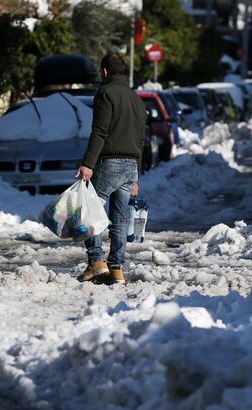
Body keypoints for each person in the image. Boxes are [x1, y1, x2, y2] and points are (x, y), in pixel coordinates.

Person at [75, 54, 146, 285]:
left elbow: (100, 131)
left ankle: (96, 261)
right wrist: (137, 174)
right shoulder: (137, 99)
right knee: (120, 219)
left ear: (105, 71)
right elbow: (141, 139)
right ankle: (116, 269)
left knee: (89, 212)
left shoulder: (105, 94)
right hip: (130, 166)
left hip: (109, 164)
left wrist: (88, 163)